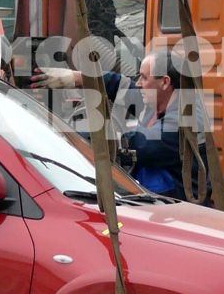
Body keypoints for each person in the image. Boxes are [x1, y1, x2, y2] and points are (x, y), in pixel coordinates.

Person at [34, 51, 201, 199]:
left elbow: (143, 145)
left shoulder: (187, 118)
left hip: (175, 209)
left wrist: (84, 137)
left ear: (165, 82)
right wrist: (76, 78)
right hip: (154, 201)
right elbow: (120, 85)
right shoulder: (158, 99)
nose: (138, 84)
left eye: (143, 77)